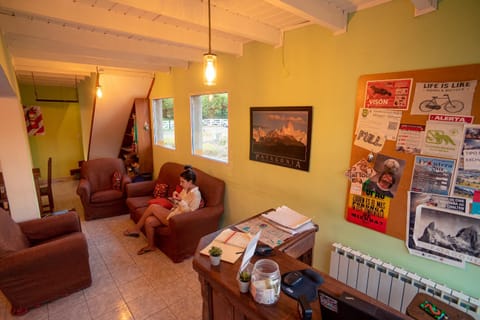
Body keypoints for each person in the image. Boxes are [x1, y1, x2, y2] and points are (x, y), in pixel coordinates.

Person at [123, 165, 201, 255]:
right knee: (149, 221)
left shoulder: (196, 195)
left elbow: (191, 213)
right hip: (173, 212)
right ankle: (151, 246)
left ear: (190, 181)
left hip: (178, 220)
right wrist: (174, 199)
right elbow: (178, 204)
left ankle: (136, 229)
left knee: (153, 207)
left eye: (182, 182)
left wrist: (181, 201)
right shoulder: (185, 189)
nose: (180, 184)